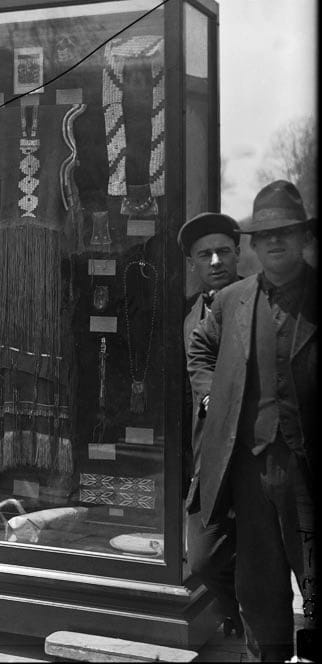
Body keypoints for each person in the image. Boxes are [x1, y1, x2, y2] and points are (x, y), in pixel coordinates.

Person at [188, 180, 317, 662]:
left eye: (286, 231)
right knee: (258, 579)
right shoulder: (231, 301)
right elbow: (200, 349)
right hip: (249, 463)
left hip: (306, 464)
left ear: (304, 238)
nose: (276, 241)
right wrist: (208, 397)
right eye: (265, 235)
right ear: (255, 247)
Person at [177, 211, 242, 638]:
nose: (215, 260)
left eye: (224, 251)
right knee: (201, 556)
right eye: (206, 254)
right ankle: (232, 607)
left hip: (253, 453)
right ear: (194, 263)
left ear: (238, 255)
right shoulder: (188, 317)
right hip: (207, 458)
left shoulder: (258, 304)